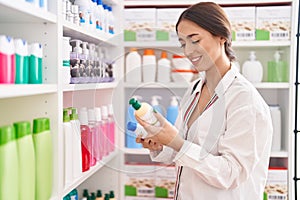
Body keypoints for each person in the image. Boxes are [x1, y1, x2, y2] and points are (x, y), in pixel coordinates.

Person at [135, 2, 273, 200]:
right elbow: (183, 149)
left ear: (221, 37)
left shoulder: (244, 100)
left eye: (195, 40)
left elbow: (231, 173)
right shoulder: (195, 89)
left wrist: (176, 142)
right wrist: (159, 143)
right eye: (183, 44)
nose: (188, 52)